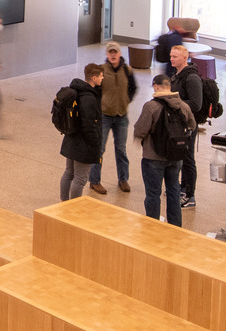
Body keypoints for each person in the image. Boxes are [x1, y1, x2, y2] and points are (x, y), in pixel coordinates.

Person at [133, 75, 196, 226]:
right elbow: (192, 126)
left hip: (153, 157)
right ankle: (175, 227)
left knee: (153, 194)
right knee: (174, 191)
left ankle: (153, 227)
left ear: (155, 86)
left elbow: (140, 130)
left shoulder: (151, 106)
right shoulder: (183, 106)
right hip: (176, 156)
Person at [165, 45, 218, 209]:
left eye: (175, 56)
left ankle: (190, 195)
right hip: (178, 123)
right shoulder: (178, 75)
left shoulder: (191, 78)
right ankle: (182, 188)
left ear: (184, 58)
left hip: (188, 124)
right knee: (180, 156)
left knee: (188, 159)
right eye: (171, 56)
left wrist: (174, 103)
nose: (172, 59)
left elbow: (196, 104)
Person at [90, 44, 139, 194]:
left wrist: (125, 100)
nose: (113, 55)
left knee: (121, 149)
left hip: (121, 116)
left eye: (115, 52)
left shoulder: (127, 70)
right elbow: (94, 89)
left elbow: (133, 88)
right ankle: (94, 181)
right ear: (107, 54)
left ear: (119, 53)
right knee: (99, 149)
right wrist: (101, 105)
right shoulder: (101, 70)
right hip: (104, 116)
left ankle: (123, 180)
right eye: (110, 52)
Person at [59, 64, 106, 201]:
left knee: (69, 172)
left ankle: (63, 201)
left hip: (71, 139)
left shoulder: (77, 90)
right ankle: (73, 207)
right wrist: (95, 142)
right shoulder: (89, 98)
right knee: (80, 179)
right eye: (101, 76)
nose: (103, 78)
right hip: (83, 144)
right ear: (94, 77)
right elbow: (89, 125)